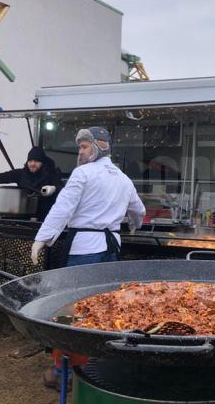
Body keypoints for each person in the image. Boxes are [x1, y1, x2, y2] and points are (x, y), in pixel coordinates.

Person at [29, 126, 145, 390]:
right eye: (79, 147)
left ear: (100, 146)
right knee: (105, 304)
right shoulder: (124, 179)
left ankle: (65, 372)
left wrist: (42, 238)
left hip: (85, 248)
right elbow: (139, 210)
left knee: (71, 308)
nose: (79, 152)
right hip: (111, 247)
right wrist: (134, 224)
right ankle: (99, 363)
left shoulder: (83, 174)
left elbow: (63, 208)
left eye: (84, 146)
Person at [0, 146, 63, 221]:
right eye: (30, 161)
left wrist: (53, 188)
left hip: (45, 218)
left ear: (43, 163)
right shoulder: (20, 174)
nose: (32, 164)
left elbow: (62, 189)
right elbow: (1, 177)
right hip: (23, 218)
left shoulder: (52, 174)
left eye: (36, 161)